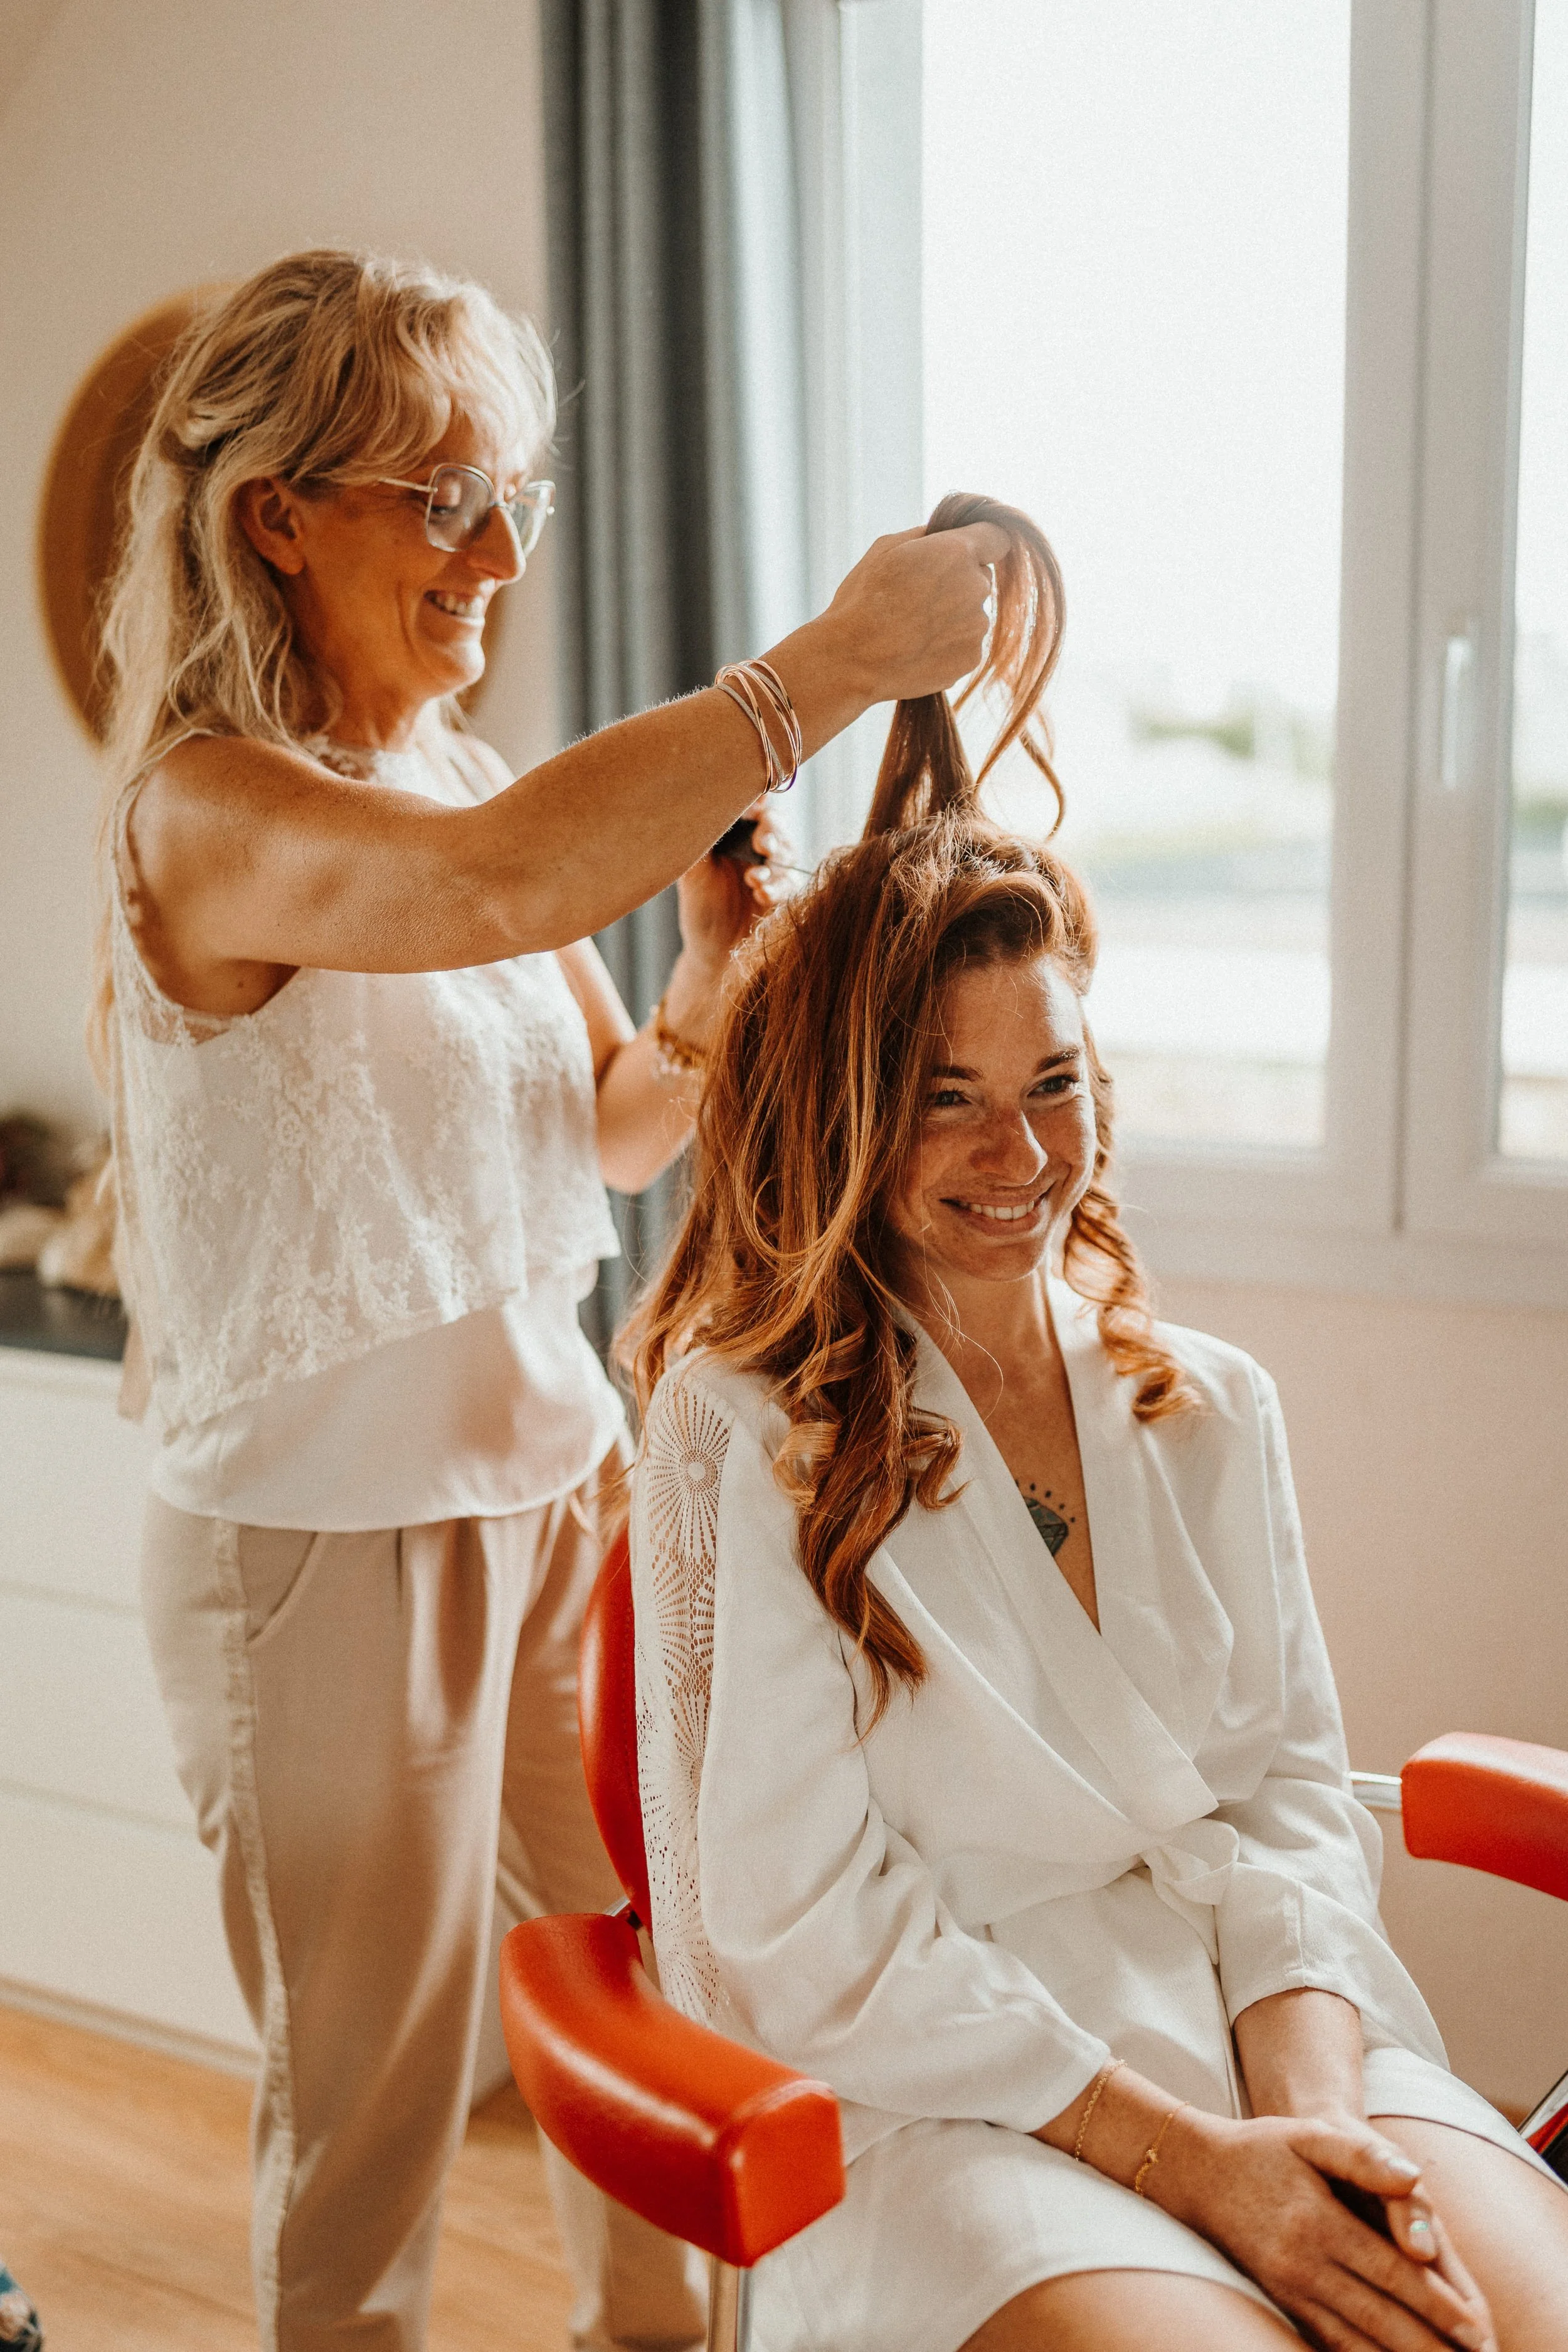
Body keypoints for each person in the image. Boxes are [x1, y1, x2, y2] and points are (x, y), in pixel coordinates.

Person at [92, 250, 1004, 2352]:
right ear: (276, 516)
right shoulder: (210, 810)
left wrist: (698, 973)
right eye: (443, 498)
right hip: (322, 1548)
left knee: (648, 1968)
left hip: (558, 1497)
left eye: (513, 498)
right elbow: (508, 882)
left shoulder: (446, 785)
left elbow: (606, 1122)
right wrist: (835, 663)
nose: (499, 553)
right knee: (373, 2106)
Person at [625, 499, 1568, 2352]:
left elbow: (1293, 1791)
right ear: (845, 1117)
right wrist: (1207, 2173)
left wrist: (1300, 2116)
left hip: (1262, 2016)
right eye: (946, 1098)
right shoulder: (754, 1431)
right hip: (964, 2087)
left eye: (1050, 1084)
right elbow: (802, 1926)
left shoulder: (1208, 1405)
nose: (1017, 1154)